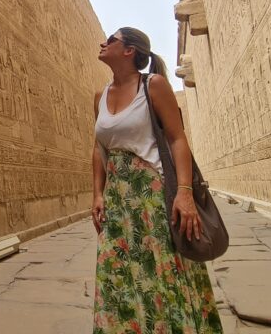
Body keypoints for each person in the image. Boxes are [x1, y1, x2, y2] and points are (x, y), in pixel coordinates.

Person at [91, 27, 222, 334]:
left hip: (153, 195)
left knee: (162, 268)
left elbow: (177, 139)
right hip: (117, 201)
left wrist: (184, 193)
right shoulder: (99, 97)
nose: (103, 43)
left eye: (112, 40)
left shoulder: (153, 85)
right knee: (118, 271)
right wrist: (97, 194)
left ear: (129, 51)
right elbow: (98, 149)